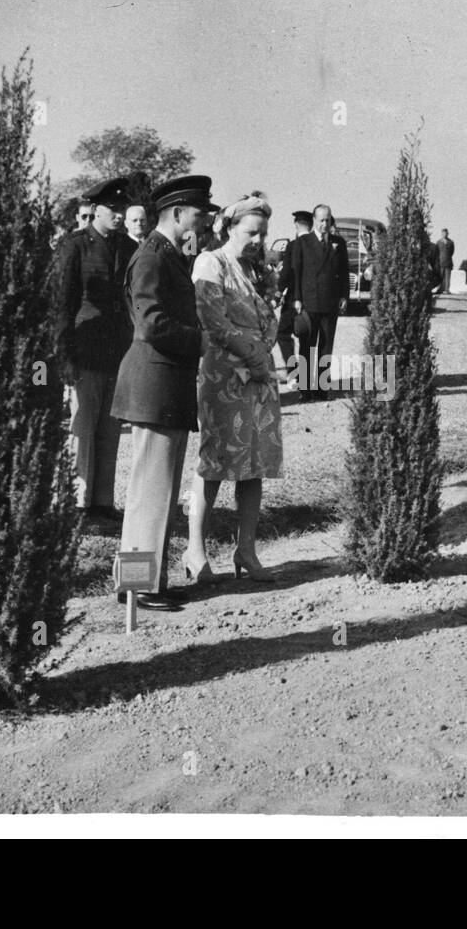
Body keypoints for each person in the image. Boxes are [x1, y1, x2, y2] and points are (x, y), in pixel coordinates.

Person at [111, 174, 217, 608]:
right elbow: (151, 323)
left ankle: (143, 582)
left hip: (163, 386)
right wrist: (201, 340)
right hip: (154, 384)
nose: (203, 220)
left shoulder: (165, 254)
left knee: (158, 490)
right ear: (177, 213)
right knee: (149, 494)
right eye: (198, 213)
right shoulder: (152, 257)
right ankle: (137, 586)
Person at [186, 195, 283, 584]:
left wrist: (263, 352)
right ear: (229, 228)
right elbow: (213, 321)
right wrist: (252, 354)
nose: (258, 240)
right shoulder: (211, 263)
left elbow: (271, 319)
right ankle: (195, 551)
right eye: (251, 232)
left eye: (263, 234)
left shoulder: (257, 270)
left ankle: (246, 549)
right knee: (214, 462)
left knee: (254, 462)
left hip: (259, 375)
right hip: (225, 375)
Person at [56, 177, 137, 521]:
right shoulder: (73, 246)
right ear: (94, 210)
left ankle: (103, 502)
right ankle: (77, 502)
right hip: (84, 351)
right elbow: (61, 303)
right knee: (82, 426)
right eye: (113, 210)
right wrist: (63, 355)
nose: (119, 216)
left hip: (117, 352)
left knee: (110, 429)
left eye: (122, 209)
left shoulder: (129, 248)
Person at [289, 203, 350, 400]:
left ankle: (322, 388)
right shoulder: (303, 243)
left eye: (328, 220)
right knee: (307, 346)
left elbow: (343, 272)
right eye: (321, 220)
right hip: (309, 301)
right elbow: (296, 273)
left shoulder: (338, 243)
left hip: (330, 302)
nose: (325, 224)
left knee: (326, 346)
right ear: (314, 220)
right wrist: (297, 298)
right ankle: (306, 390)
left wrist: (344, 296)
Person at [276, 210, 312, 370]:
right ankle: (306, 375)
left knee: (283, 334)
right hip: (312, 298)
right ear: (311, 226)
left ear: (296, 225)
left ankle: (294, 371)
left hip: (293, 298)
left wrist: (278, 292)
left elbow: (286, 274)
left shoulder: (293, 245)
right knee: (307, 338)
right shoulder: (317, 245)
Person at [436, 228, 456, 296]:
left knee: (447, 277)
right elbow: (436, 252)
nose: (444, 234)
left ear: (448, 234)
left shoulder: (451, 242)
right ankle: (440, 289)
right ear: (441, 234)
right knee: (440, 277)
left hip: (448, 262)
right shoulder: (438, 242)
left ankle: (447, 289)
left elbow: (452, 252)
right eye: (443, 233)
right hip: (440, 262)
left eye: (446, 233)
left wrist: (447, 257)